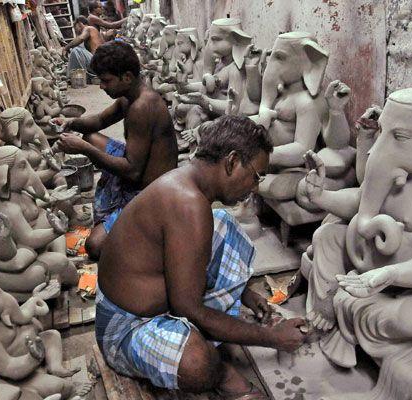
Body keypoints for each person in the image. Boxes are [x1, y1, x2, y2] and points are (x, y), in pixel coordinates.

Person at [95, 115, 308, 398]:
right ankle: (221, 374)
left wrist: (245, 294)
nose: (255, 187)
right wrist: (271, 338)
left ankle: (222, 320)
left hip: (156, 299)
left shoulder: (189, 184)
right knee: (197, 364)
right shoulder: (188, 205)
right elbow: (188, 309)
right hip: (125, 327)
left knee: (223, 222)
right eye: (256, 175)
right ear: (232, 162)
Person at [55, 41, 177, 259]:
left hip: (151, 190)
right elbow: (99, 120)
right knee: (90, 136)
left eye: (106, 81)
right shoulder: (128, 97)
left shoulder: (142, 106)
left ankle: (148, 236)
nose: (101, 86)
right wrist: (70, 122)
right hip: (136, 167)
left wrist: (84, 150)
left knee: (95, 246)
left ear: (127, 77)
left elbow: (132, 171)